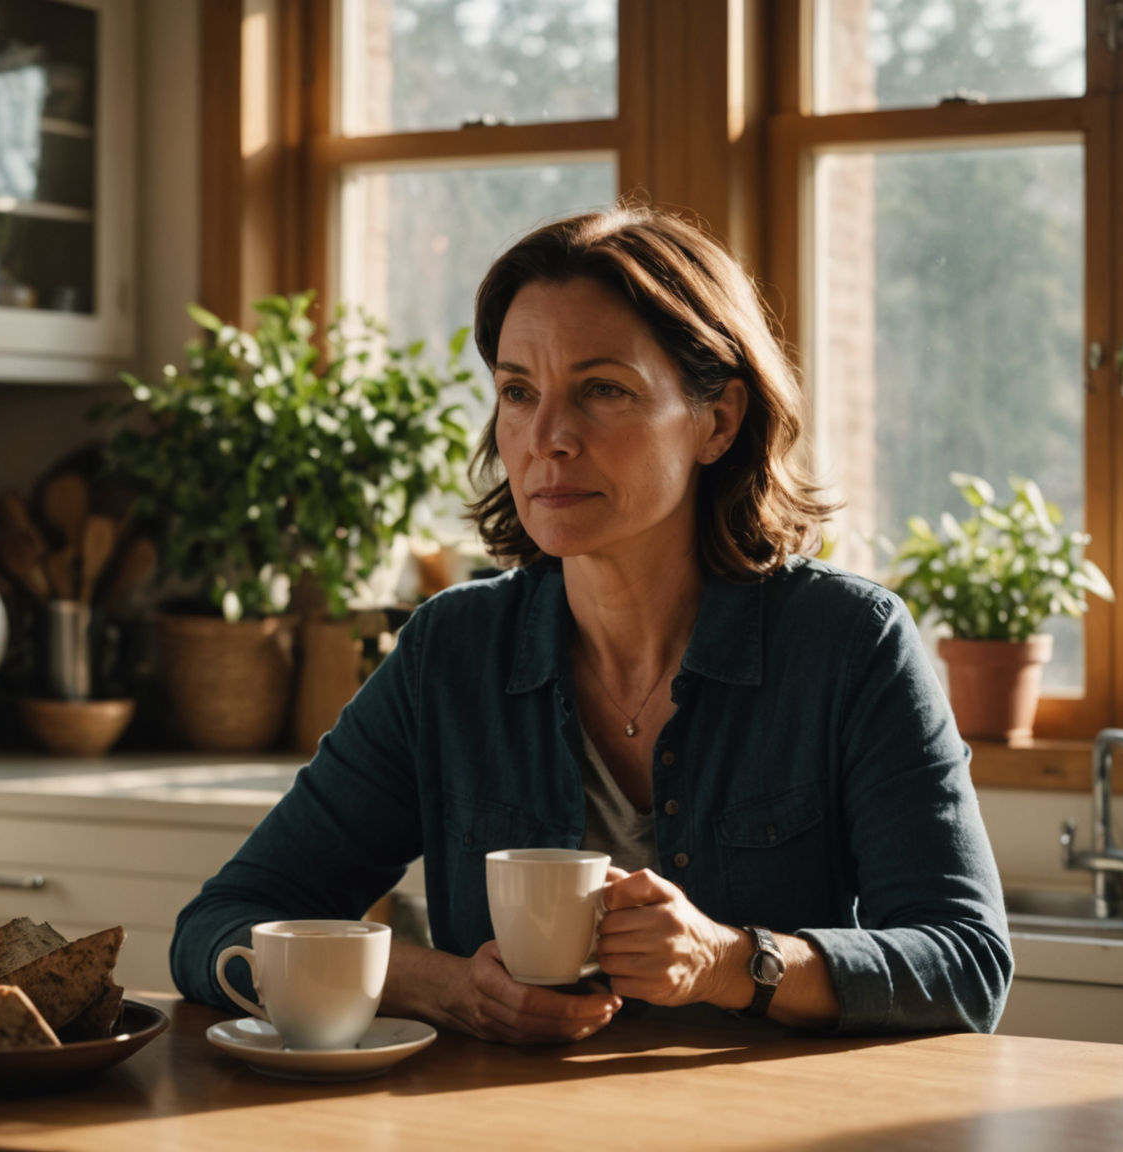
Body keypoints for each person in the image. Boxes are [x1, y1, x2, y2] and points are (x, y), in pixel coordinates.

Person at [170, 205, 1011, 1041]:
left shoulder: (850, 643)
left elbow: (967, 966)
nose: (546, 438)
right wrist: (449, 986)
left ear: (716, 420)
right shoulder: (449, 653)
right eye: (517, 392)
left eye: (602, 390)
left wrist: (731, 962)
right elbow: (220, 927)